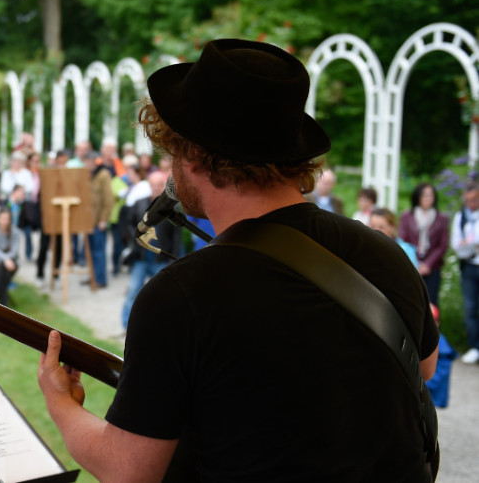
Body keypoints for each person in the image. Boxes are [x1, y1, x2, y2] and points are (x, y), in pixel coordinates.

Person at [37, 39, 438, 481]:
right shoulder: (384, 252)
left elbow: (129, 471)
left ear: (192, 153)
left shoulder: (180, 296)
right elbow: (422, 367)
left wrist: (59, 401)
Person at [118, 171, 180, 330]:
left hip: (160, 259)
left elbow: (176, 236)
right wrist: (136, 238)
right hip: (141, 257)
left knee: (162, 295)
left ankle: (159, 327)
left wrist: (174, 258)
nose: (156, 188)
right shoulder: (139, 204)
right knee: (133, 291)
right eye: (153, 185)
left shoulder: (172, 209)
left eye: (160, 185)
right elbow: (127, 225)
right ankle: (126, 327)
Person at [399, 183, 449, 305]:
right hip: (412, 264)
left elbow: (442, 245)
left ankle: (433, 324)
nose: (427, 198)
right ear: (417, 197)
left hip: (432, 267)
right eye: (424, 195)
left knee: (431, 302)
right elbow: (403, 240)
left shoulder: (441, 218)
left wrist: (428, 264)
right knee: (411, 301)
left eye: (430, 195)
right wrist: (415, 262)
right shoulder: (407, 216)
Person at [452, 182, 479, 364]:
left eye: (475, 200)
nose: (471, 204)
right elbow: (456, 243)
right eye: (468, 200)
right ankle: (474, 346)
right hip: (469, 264)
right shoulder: (461, 217)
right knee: (470, 308)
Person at [85, 151, 114, 289]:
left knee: (99, 251)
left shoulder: (103, 175)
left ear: (94, 161)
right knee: (89, 251)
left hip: (98, 222)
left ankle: (100, 279)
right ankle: (92, 277)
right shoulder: (87, 175)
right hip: (88, 221)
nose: (87, 164)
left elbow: (109, 199)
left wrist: (104, 219)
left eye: (89, 161)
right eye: (86, 161)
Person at [0, 209, 23, 305]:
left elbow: (14, 251)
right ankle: (3, 299)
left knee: (2, 267)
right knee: (2, 267)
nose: (5, 222)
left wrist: (2, 260)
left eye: (7, 219)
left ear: (10, 220)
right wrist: (3, 259)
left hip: (9, 263)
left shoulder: (16, 232)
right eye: (3, 219)